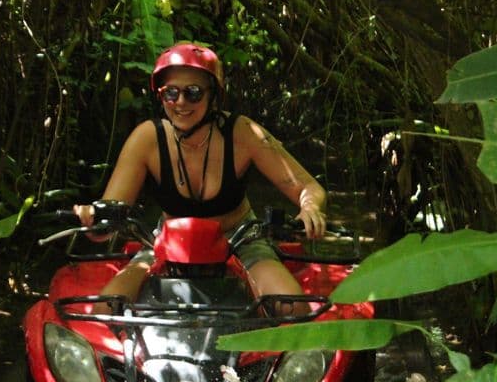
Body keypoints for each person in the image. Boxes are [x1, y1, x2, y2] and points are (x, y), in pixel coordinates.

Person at [74, 42, 327, 309]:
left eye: (193, 93)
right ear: (160, 97)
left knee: (291, 306)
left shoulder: (242, 133)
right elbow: (112, 215)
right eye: (171, 93)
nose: (180, 102)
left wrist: (309, 208)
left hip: (240, 239)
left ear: (213, 95)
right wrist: (93, 219)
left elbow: (308, 186)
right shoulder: (148, 138)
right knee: (103, 308)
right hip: (167, 244)